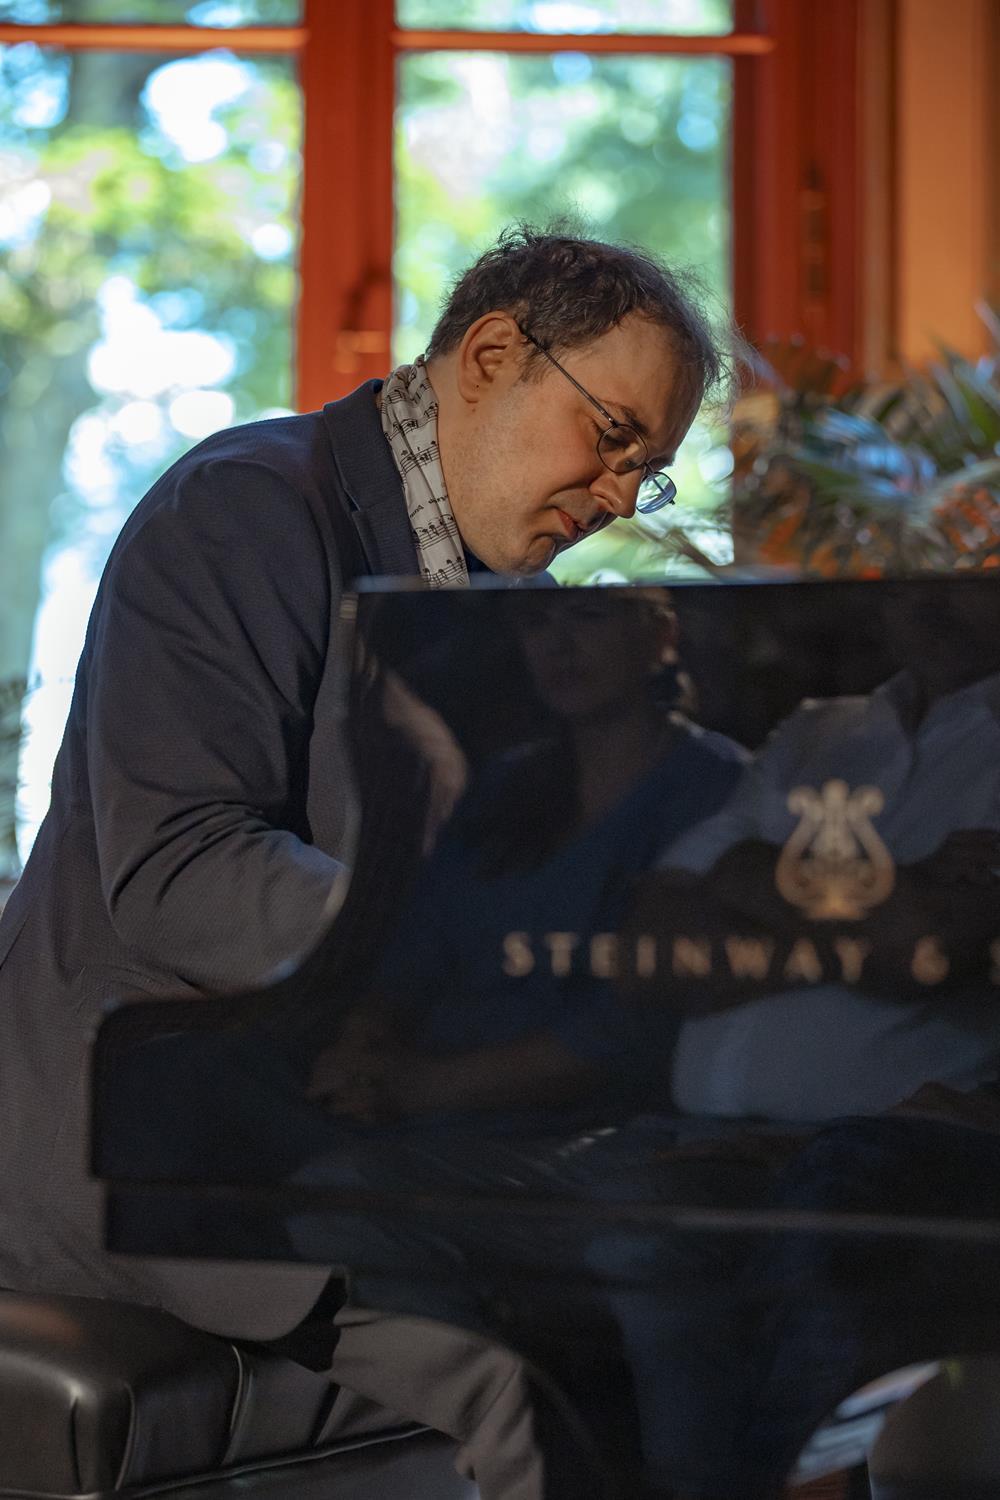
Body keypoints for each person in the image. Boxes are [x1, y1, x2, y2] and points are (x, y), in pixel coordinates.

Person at [0, 223, 731, 1499]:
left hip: (348, 1119)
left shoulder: (499, 605)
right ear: (491, 355)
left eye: (648, 472)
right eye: (612, 436)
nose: (620, 497)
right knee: (561, 1354)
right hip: (149, 1138)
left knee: (709, 1271)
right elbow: (178, 870)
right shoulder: (242, 508)